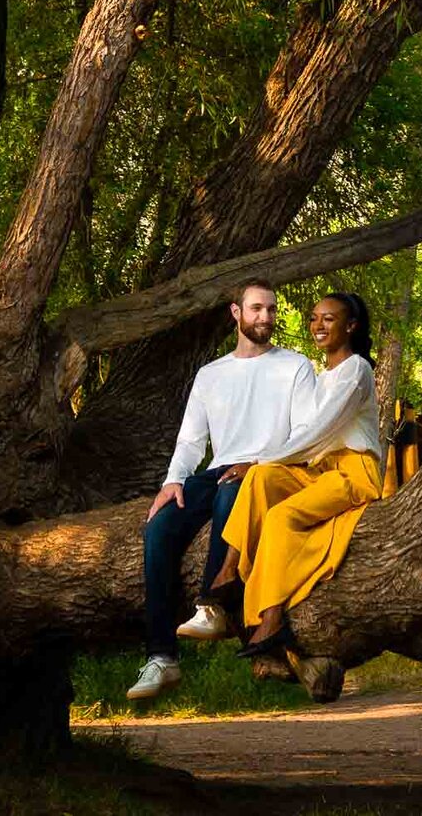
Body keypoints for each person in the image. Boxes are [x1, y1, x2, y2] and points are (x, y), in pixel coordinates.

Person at [127, 279, 315, 703]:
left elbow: (306, 433)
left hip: (268, 471)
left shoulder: (296, 366)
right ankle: (161, 657)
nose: (265, 317)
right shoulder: (210, 374)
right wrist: (173, 480)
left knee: (234, 493)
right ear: (236, 313)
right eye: (256, 309)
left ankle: (212, 606)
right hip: (218, 470)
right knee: (158, 526)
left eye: (271, 309)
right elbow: (191, 439)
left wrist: (260, 463)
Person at [214, 291, 384, 661]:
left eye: (329, 318)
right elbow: (300, 434)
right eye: (313, 318)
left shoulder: (357, 370)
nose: (318, 326)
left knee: (281, 516)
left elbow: (319, 430)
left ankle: (271, 618)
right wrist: (261, 464)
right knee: (261, 480)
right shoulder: (323, 377)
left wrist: (258, 459)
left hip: (354, 473)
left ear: (351, 326)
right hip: (319, 470)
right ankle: (227, 574)